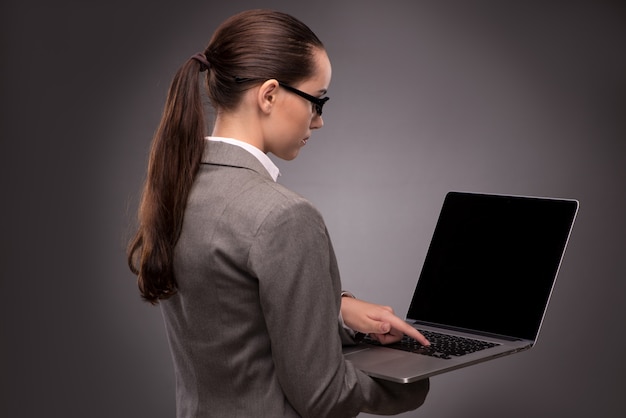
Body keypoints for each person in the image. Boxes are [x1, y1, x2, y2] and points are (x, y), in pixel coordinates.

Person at [127, 9, 430, 417]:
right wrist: (414, 378)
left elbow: (229, 306)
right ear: (269, 95)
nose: (318, 122)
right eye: (317, 101)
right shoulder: (285, 217)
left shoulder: (177, 188)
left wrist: (333, 304)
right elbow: (324, 396)